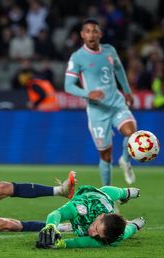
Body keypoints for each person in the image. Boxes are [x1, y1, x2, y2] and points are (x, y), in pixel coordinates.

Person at [64, 18, 137, 186]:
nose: (91, 34)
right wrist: (88, 94)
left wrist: (126, 90)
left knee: (131, 132)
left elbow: (118, 68)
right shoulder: (77, 57)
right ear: (82, 35)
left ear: (100, 34)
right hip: (97, 112)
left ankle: (125, 161)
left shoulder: (109, 51)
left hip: (116, 103)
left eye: (95, 31)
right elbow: (68, 86)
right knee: (106, 156)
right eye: (88, 31)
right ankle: (107, 195)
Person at [36, 183, 145, 249]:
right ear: (100, 216)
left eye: (98, 234)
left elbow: (87, 242)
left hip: (105, 208)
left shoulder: (110, 237)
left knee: (126, 233)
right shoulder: (81, 207)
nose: (93, 233)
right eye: (96, 228)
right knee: (111, 192)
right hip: (96, 196)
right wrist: (51, 225)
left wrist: (62, 244)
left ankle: (138, 223)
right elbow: (57, 213)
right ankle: (128, 192)